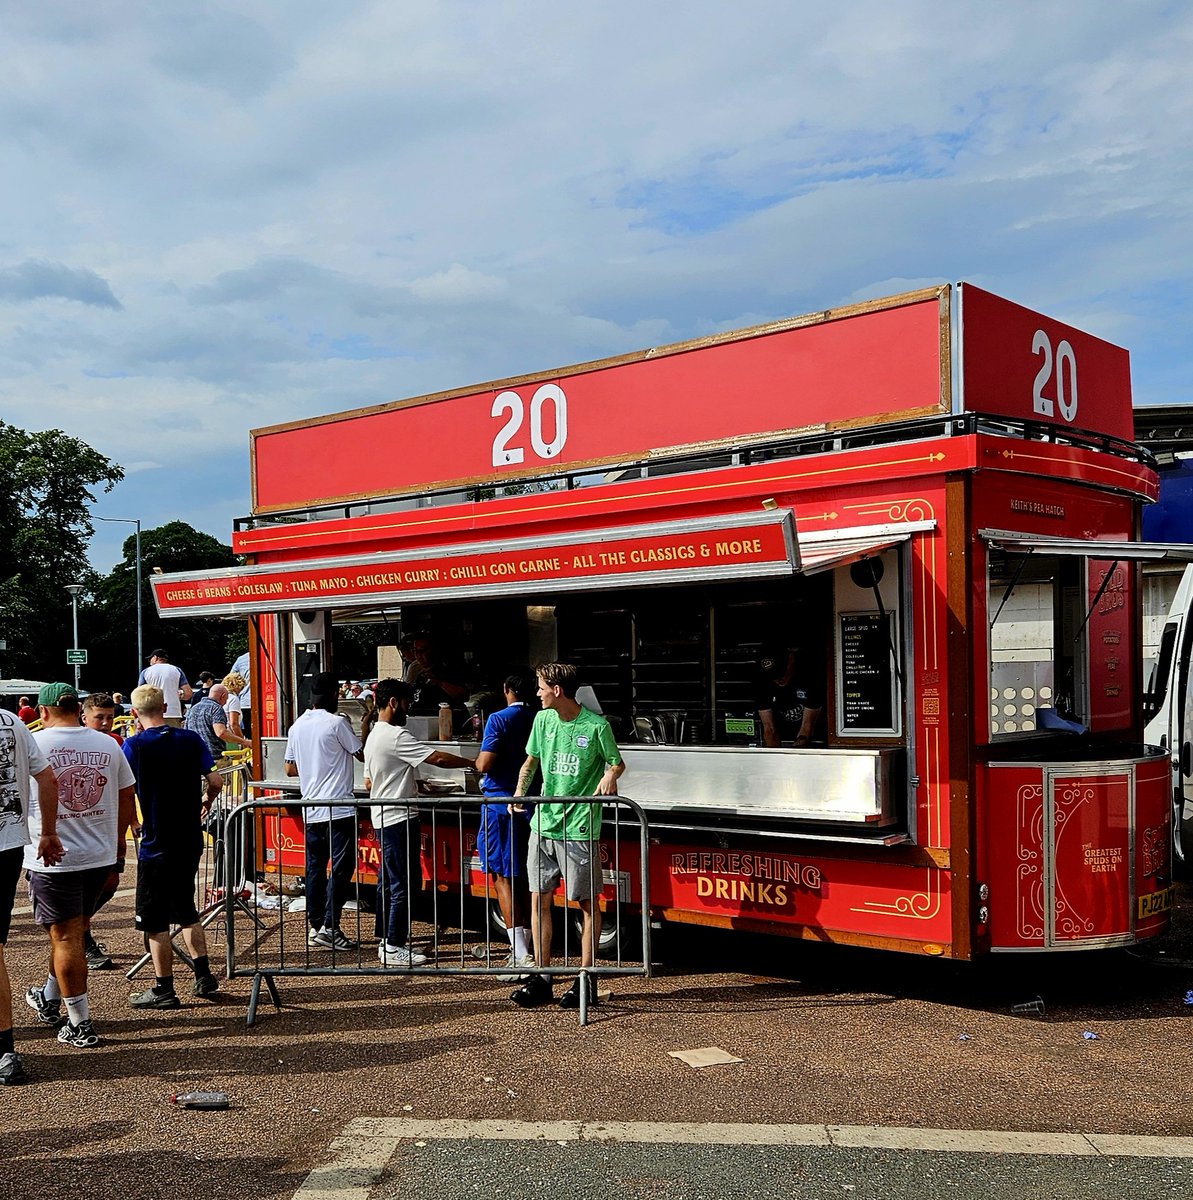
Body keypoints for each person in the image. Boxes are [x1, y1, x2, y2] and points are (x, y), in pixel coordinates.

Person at [24, 683, 136, 1049]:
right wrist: (118, 840)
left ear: (42, 712)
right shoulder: (107, 744)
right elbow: (126, 791)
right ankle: (50, 996)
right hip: (98, 854)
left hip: (55, 855)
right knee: (74, 929)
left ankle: (80, 1022)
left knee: (65, 937)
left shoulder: (36, 744)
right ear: (77, 708)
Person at [510, 663, 624, 1010]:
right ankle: (542, 977)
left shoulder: (596, 725)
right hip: (543, 823)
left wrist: (611, 774)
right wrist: (519, 793)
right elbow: (530, 763)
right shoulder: (542, 721)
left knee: (587, 903)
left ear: (557, 689)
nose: (537, 692)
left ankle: (586, 979)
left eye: (541, 686)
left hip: (579, 827)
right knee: (538, 898)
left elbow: (616, 761)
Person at [123, 685, 224, 1008]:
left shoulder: (134, 746)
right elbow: (217, 780)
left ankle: (164, 986)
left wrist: (130, 821)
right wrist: (207, 800)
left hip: (156, 840)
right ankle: (203, 973)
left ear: (135, 712)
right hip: (189, 837)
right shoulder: (190, 739)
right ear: (165, 706)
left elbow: (126, 790)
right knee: (186, 908)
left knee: (154, 920)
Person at [363, 679, 476, 966]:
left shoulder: (374, 734)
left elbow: (369, 781)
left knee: (388, 882)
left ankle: (386, 940)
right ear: (393, 703)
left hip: (384, 814)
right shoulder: (396, 735)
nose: (407, 709)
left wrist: (410, 782)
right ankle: (395, 944)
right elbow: (435, 757)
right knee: (403, 883)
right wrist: (473, 763)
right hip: (399, 817)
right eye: (405, 703)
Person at [0, 706, 62, 1085]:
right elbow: (46, 776)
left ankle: (5, 1049)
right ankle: (4, 1049)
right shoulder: (10, 720)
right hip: (8, 844)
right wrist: (47, 831)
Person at [284, 671, 364, 951]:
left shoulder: (296, 726)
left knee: (315, 869)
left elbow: (289, 768)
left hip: (312, 807)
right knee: (341, 869)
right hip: (339, 807)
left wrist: (313, 764)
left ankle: (316, 925)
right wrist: (365, 727)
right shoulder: (337, 723)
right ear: (333, 695)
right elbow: (361, 753)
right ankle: (330, 925)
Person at [474, 670, 538, 979]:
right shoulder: (542, 718)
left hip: (500, 803)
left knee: (502, 876)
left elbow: (485, 762)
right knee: (525, 877)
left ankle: (521, 953)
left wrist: (475, 763)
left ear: (506, 689)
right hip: (531, 803)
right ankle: (529, 947)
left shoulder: (498, 719)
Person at [79, 692, 127, 971]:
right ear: (85, 717)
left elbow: (125, 788)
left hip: (107, 827)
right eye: (100, 717)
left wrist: (130, 824)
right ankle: (81, 937)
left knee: (110, 884)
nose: (107, 722)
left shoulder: (117, 743)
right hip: (77, 829)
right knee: (81, 888)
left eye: (110, 717)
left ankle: (78, 928)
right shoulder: (71, 743)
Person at [755, 646, 823, 747]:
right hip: (782, 736)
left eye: (781, 673)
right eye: (773, 676)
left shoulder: (810, 676)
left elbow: (807, 728)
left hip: (816, 742)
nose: (778, 679)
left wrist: (795, 759)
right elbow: (769, 728)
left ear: (791, 659)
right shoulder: (762, 684)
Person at [405, 633, 470, 714]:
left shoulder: (449, 670)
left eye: (422, 650)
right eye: (415, 651)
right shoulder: (416, 671)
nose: (418, 655)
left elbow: (464, 696)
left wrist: (439, 683)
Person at [186, 683, 248, 759]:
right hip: (215, 758)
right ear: (223, 696)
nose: (225, 703)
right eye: (226, 699)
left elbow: (187, 732)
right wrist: (244, 741)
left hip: (196, 757)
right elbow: (221, 733)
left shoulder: (193, 709)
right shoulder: (216, 708)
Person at [137, 649, 191, 726]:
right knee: (173, 737)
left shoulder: (146, 671)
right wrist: (179, 696)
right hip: (173, 713)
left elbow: (139, 695)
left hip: (152, 713)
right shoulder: (177, 670)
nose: (150, 662)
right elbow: (188, 694)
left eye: (150, 659)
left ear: (155, 658)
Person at [229, 651, 252, 740]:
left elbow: (231, 678)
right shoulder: (270, 656)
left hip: (245, 702)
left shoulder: (241, 659)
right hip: (266, 703)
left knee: (249, 733)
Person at [221, 672, 248, 743]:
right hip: (230, 737)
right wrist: (242, 741)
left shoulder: (220, 697)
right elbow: (234, 724)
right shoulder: (233, 699)